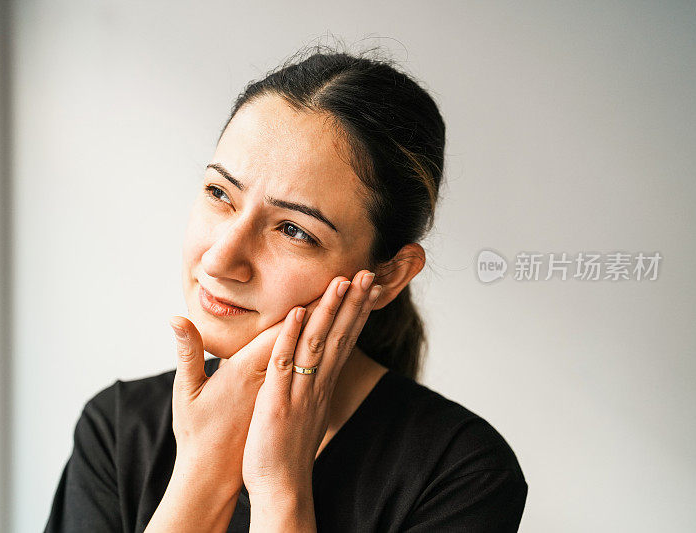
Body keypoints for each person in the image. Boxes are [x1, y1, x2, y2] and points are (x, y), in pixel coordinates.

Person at [44, 46, 528, 533]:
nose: (220, 259)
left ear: (386, 277)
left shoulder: (463, 474)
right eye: (219, 194)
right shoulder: (117, 428)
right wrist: (203, 472)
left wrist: (279, 487)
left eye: (294, 230)